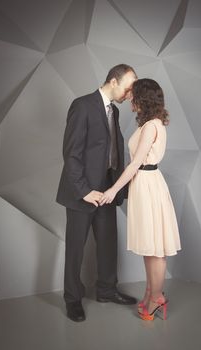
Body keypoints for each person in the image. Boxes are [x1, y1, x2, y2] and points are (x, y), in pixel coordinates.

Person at [56, 64, 138, 322]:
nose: (130, 94)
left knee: (107, 244)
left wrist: (116, 189)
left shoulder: (113, 110)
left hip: (107, 190)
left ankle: (106, 290)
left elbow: (111, 151)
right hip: (82, 191)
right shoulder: (82, 105)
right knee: (75, 249)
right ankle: (72, 299)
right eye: (128, 87)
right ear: (114, 81)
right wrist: (84, 190)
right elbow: (71, 154)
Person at [99, 78, 181, 321]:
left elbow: (136, 163)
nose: (129, 99)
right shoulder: (151, 123)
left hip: (147, 183)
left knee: (156, 247)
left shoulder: (150, 126)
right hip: (145, 184)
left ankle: (157, 298)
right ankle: (151, 292)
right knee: (150, 245)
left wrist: (113, 189)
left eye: (133, 95)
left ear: (142, 98)